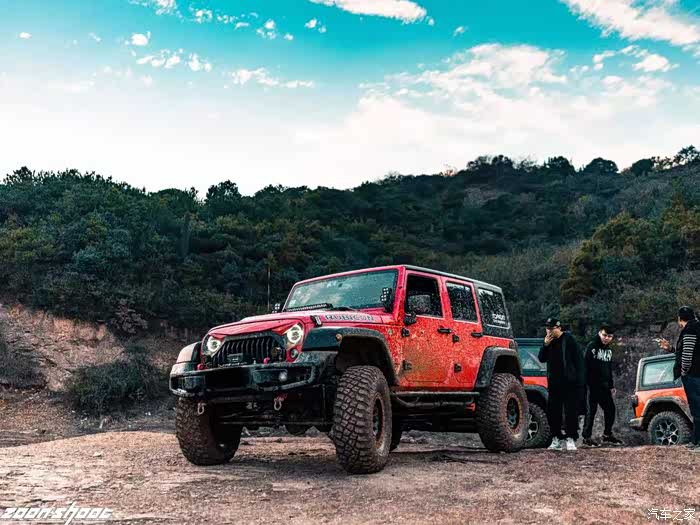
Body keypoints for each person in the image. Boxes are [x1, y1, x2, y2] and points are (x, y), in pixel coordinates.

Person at [538, 318, 585, 451]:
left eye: (551, 328)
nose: (548, 331)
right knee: (554, 412)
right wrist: (545, 345)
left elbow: (579, 361)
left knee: (571, 411)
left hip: (570, 383)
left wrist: (579, 381)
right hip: (554, 383)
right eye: (547, 328)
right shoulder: (548, 341)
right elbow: (541, 358)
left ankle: (571, 438)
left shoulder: (569, 340)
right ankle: (556, 439)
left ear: (559, 328)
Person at [659, 306, 700, 451]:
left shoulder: (690, 330)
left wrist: (683, 371)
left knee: (697, 409)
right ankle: (695, 441)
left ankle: (697, 443)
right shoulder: (697, 327)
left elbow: (687, 356)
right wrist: (670, 349)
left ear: (679, 319)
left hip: (693, 376)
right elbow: (689, 351)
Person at [582, 323, 623, 447]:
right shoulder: (592, 346)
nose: (606, 338)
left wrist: (611, 385)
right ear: (600, 333)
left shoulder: (608, 350)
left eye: (609, 336)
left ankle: (607, 435)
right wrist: (585, 384)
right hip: (591, 385)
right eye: (604, 335)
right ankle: (586, 438)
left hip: (604, 386)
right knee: (591, 411)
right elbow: (584, 366)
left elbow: (608, 369)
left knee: (610, 409)